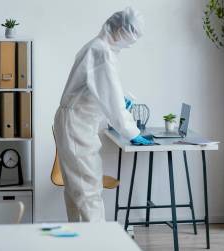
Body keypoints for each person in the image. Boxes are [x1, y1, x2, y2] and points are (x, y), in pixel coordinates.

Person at [54, 7, 153, 222]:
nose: (130, 41)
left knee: (76, 188)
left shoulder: (98, 48)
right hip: (76, 125)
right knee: (88, 190)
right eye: (130, 34)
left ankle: (81, 240)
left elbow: (100, 91)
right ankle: (98, 241)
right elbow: (112, 97)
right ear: (118, 28)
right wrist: (131, 131)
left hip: (76, 122)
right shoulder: (101, 52)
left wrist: (116, 105)